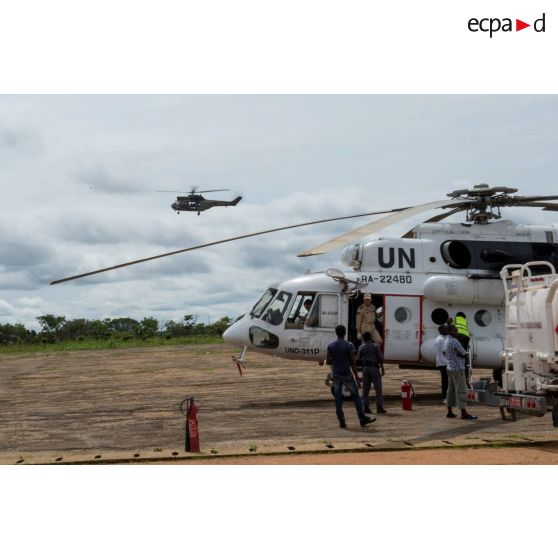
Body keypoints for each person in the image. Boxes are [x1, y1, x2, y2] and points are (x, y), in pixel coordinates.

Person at [326, 324, 376, 428]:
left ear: (336, 333)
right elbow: (352, 363)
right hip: (347, 374)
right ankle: (362, 418)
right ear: (345, 333)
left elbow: (328, 361)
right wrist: (357, 378)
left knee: (338, 399)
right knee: (356, 397)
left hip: (336, 375)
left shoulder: (330, 346)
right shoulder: (349, 345)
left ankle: (342, 421)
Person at [445, 325, 477, 420]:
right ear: (450, 331)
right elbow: (463, 353)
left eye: (457, 330)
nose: (457, 332)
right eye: (454, 331)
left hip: (450, 368)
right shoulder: (455, 341)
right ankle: (463, 413)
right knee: (461, 390)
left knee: (450, 390)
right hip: (458, 369)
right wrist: (466, 356)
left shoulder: (447, 341)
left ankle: (449, 411)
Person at [357, 331, 386, 414]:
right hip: (374, 368)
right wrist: (382, 368)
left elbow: (359, 358)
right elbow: (380, 358)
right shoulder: (375, 346)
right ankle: (379, 407)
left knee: (365, 389)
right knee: (378, 389)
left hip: (365, 369)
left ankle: (365, 407)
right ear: (371, 338)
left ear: (363, 338)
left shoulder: (361, 347)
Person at [454, 312, 471, 387]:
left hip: (459, 336)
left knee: (458, 353)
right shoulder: (465, 321)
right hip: (466, 337)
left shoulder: (455, 319)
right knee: (464, 353)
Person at [435, 324, 449, 402]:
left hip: (440, 362)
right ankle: (445, 397)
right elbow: (445, 352)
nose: (447, 331)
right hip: (444, 362)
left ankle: (445, 396)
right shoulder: (442, 340)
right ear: (442, 330)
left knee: (444, 380)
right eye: (446, 329)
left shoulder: (437, 339)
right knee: (446, 381)